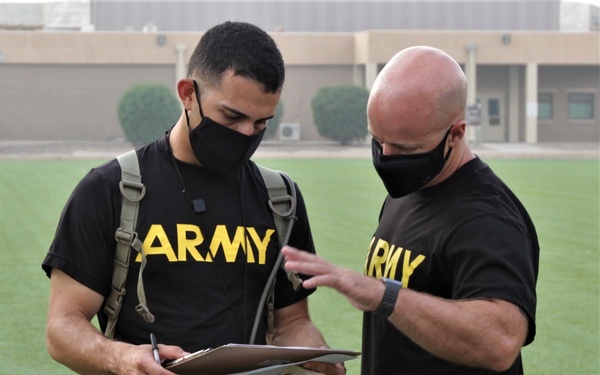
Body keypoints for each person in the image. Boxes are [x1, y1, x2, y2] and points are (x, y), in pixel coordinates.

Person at [42, 21, 345, 375]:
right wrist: (120, 358)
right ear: (188, 94)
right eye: (232, 117)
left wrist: (312, 351)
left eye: (261, 123)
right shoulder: (110, 189)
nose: (246, 135)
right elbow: (61, 328)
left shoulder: (281, 200)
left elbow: (292, 320)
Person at [282, 46, 539, 375]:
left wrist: (381, 294)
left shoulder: (488, 218)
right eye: (378, 140)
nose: (387, 157)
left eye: (405, 147)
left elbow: (500, 341)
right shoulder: (410, 187)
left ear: (456, 133)